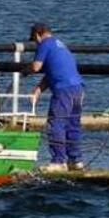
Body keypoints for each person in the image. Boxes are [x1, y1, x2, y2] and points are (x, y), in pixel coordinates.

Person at [26, 23, 85, 172]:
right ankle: (75, 160)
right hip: (78, 88)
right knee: (73, 124)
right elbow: (52, 73)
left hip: (63, 90)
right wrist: (38, 90)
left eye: (34, 39)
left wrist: (23, 70)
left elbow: (36, 67)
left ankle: (58, 161)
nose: (35, 43)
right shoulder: (60, 45)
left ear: (39, 34)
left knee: (56, 123)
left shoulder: (45, 44)